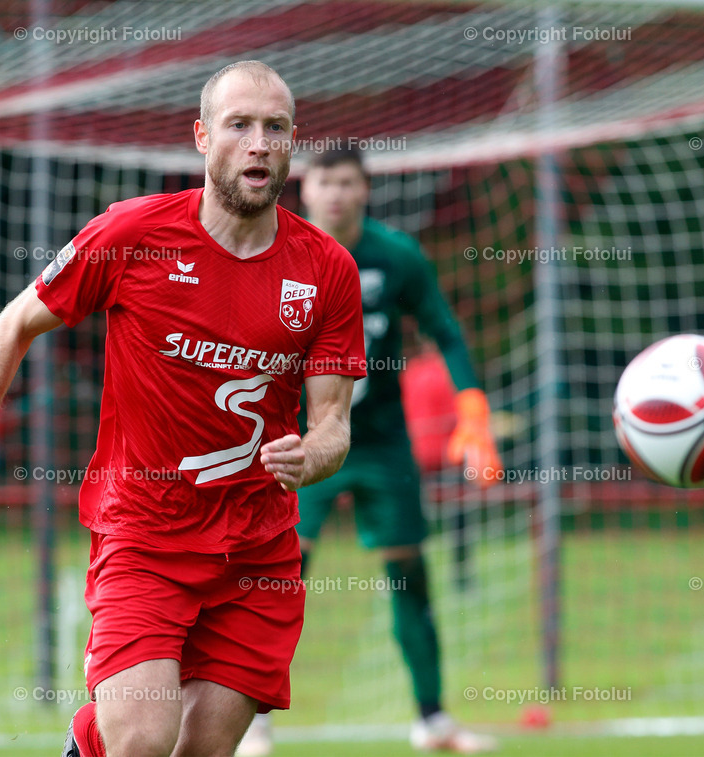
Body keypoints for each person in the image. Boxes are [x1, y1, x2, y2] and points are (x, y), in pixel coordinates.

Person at [0, 61, 366, 757]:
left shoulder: (325, 270)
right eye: (239, 126)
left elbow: (334, 424)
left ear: (292, 141)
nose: (259, 142)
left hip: (256, 553)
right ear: (202, 138)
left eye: (274, 128)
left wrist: (311, 454)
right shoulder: (132, 234)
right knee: (141, 739)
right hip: (145, 534)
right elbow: (11, 326)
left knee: (202, 748)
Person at [237, 148, 501, 755]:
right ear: (304, 190)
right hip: (299, 443)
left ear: (365, 190)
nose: (335, 192)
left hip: (381, 441)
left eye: (347, 181)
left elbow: (445, 329)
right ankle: (253, 721)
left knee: (410, 572)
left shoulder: (396, 256)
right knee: (282, 576)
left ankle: (433, 720)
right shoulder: (273, 251)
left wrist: (472, 407)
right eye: (324, 180)